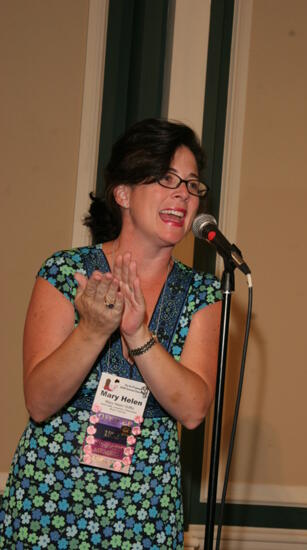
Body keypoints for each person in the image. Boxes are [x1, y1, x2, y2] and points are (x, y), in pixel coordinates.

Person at [0, 118, 222, 549]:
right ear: (122, 193)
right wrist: (93, 330)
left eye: (192, 184)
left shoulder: (204, 294)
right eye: (165, 178)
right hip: (51, 501)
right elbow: (39, 402)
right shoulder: (65, 272)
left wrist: (137, 333)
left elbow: (194, 410)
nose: (183, 193)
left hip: (146, 509)